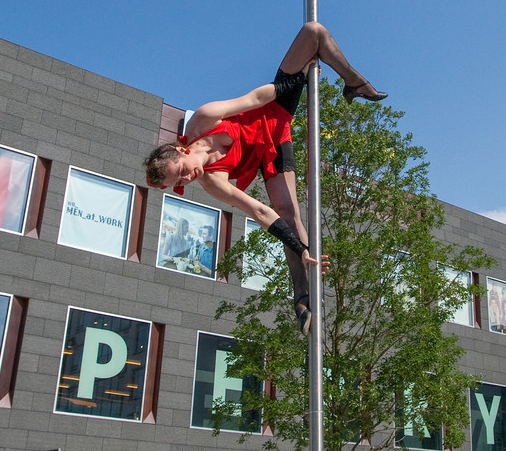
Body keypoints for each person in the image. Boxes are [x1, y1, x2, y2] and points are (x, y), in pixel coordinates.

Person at [144, 21, 385, 333]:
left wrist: (293, 83)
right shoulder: (212, 182)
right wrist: (300, 248)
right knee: (290, 214)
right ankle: (301, 292)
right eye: (180, 184)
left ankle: (353, 81)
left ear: (181, 149)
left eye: (181, 172)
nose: (187, 179)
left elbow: (255, 99)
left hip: (273, 107)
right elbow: (260, 212)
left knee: (314, 32)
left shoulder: (204, 118)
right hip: (272, 148)